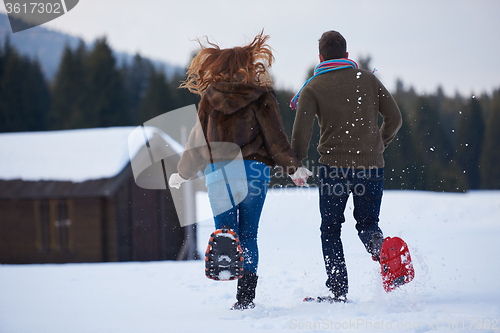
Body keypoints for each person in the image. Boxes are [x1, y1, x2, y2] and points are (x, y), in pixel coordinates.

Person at [168, 31, 312, 310]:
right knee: (249, 236)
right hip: (255, 172)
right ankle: (245, 298)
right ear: (249, 64)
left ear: (219, 66)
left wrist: (183, 172)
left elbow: (198, 141)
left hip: (219, 171)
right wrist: (294, 169)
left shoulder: (209, 98)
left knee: (228, 231)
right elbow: (276, 139)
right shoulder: (262, 97)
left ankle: (225, 250)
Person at [290, 30, 402, 302]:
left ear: (320, 57)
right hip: (371, 168)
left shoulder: (313, 87)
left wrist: (296, 165)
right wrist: (378, 145)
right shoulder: (368, 79)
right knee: (367, 224)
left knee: (330, 228)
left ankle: (338, 290)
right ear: (347, 55)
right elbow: (395, 118)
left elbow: (300, 134)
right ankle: (384, 252)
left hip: (333, 169)